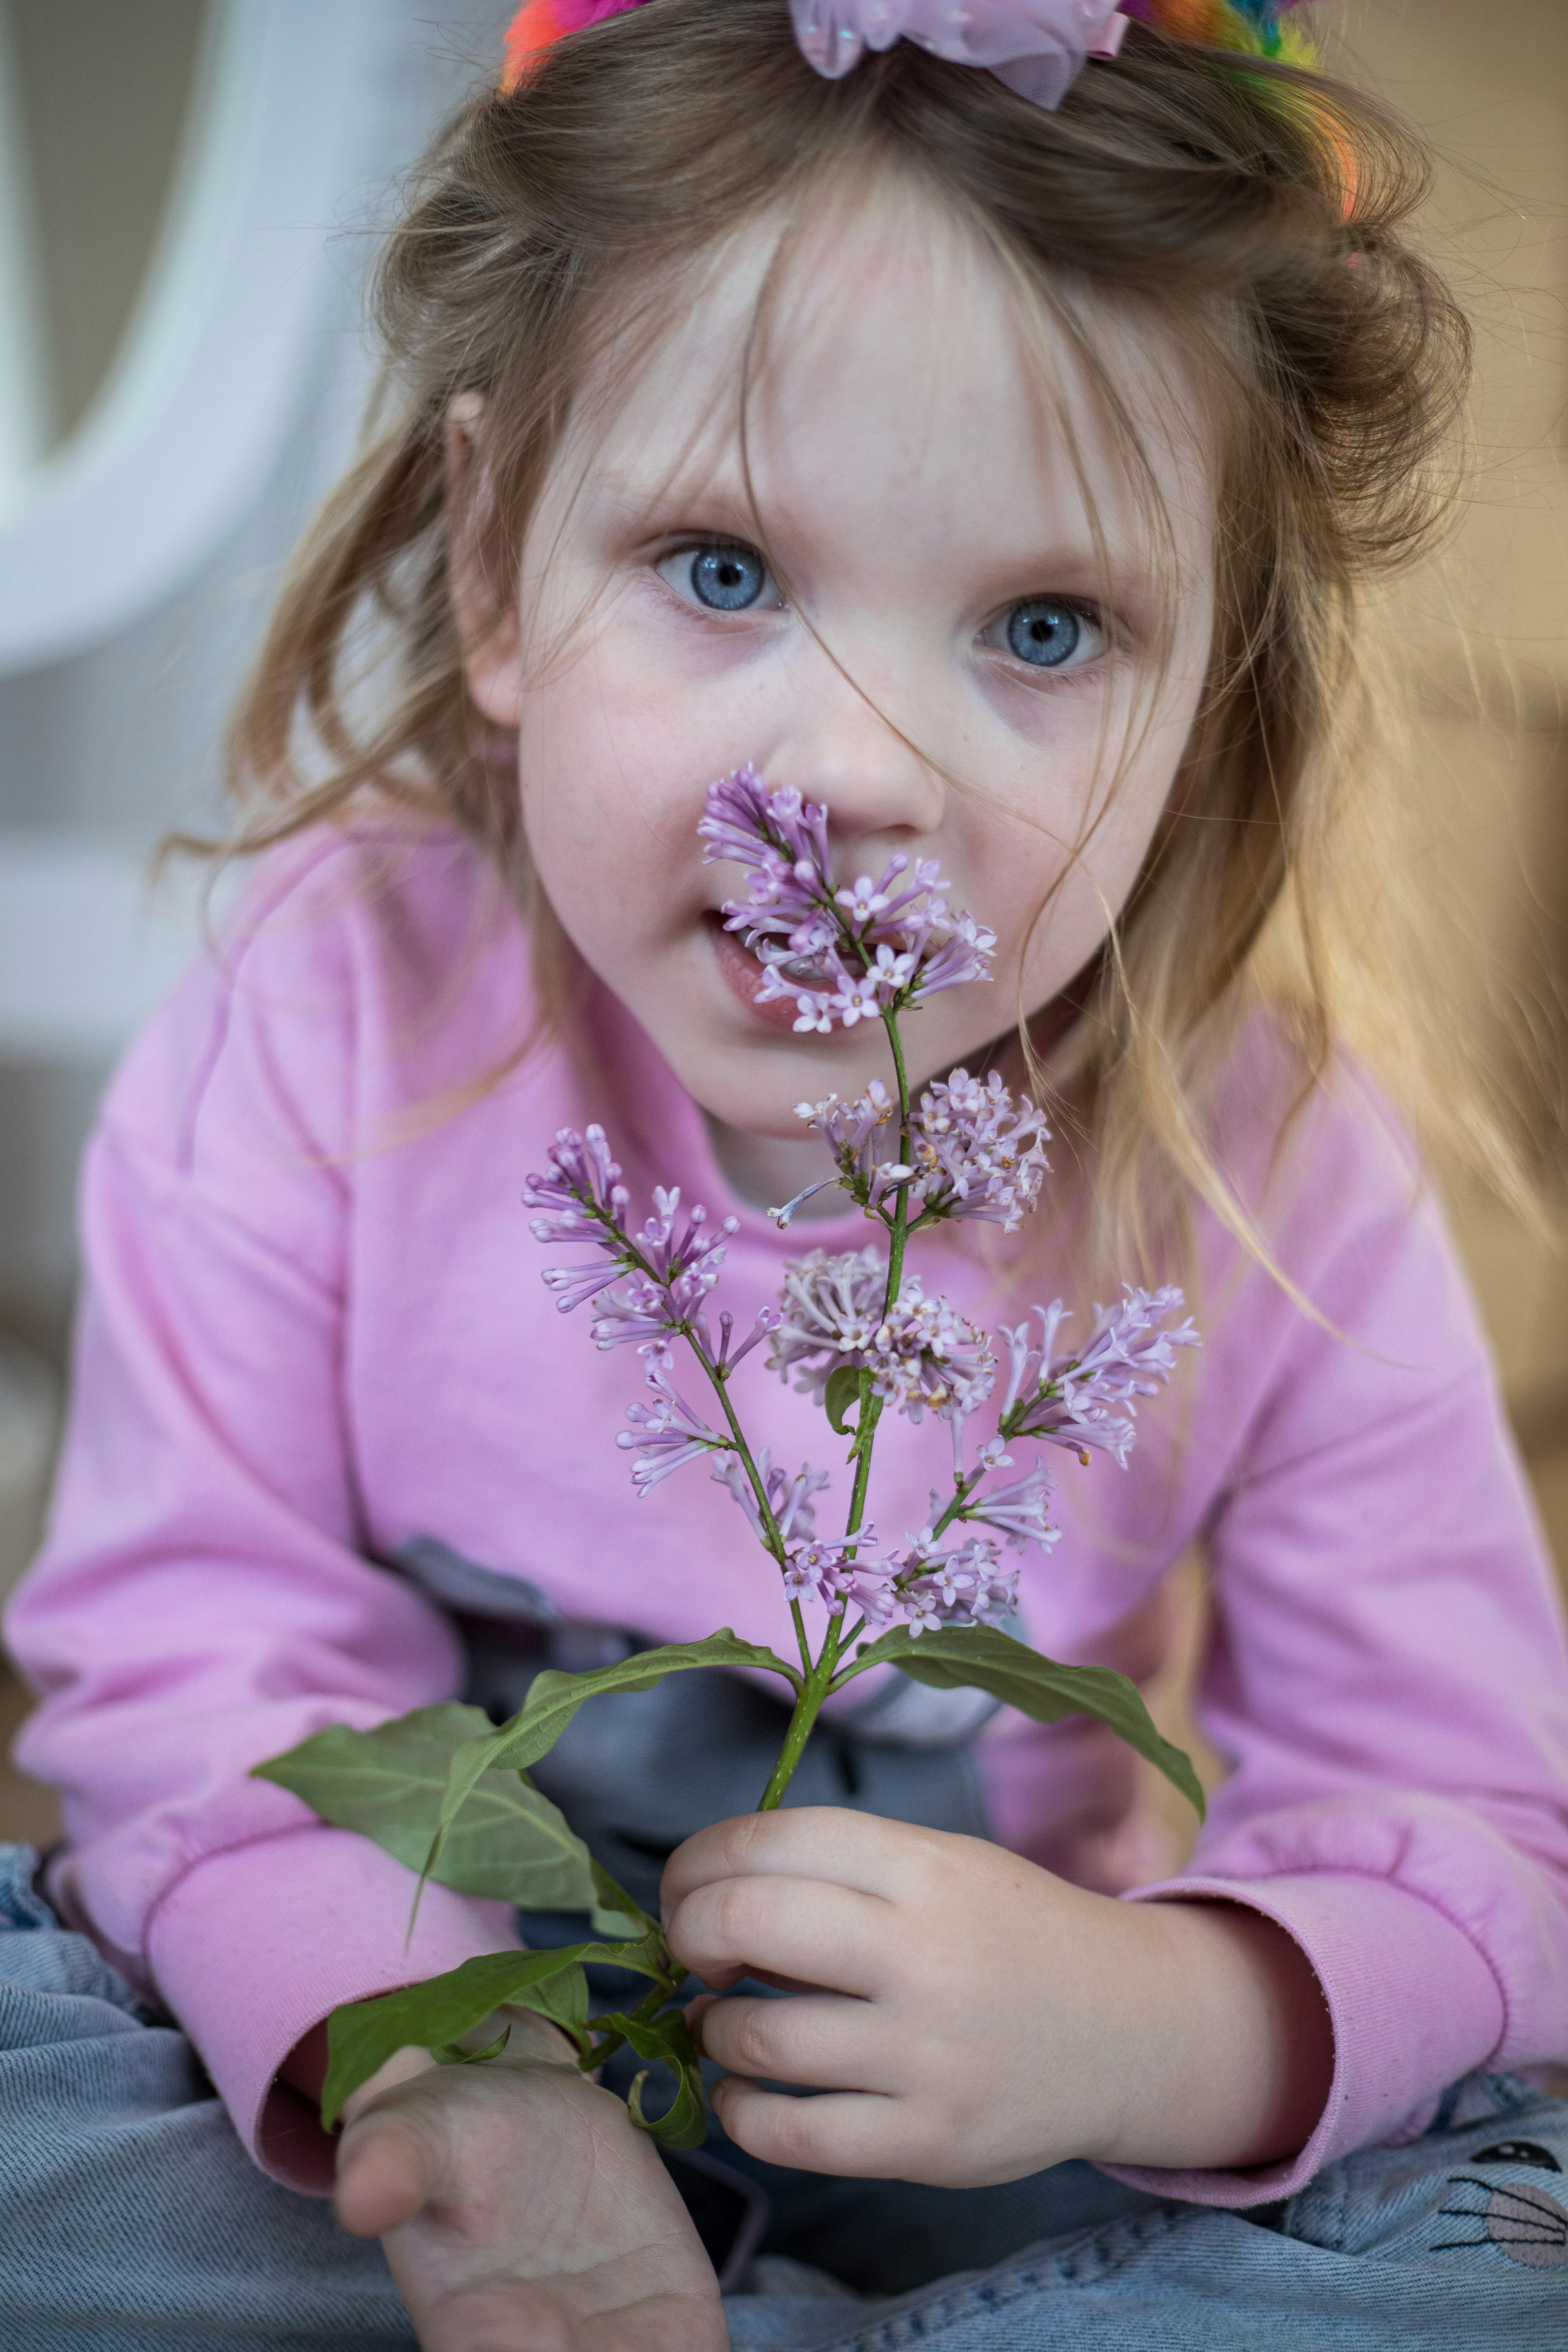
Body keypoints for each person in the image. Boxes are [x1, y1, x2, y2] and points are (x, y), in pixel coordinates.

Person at [5, 2, 1567, 2346]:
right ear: (501, 566)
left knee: (1513, 2222)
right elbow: (185, 1663)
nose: (855, 768)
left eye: (1046, 629)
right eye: (725, 570)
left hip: (995, 2123)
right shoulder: (334, 1008)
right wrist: (461, 2091)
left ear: (1212, 699)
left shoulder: (1274, 1169)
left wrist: (1171, 2023)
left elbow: (1481, 1828)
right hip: (421, 2043)